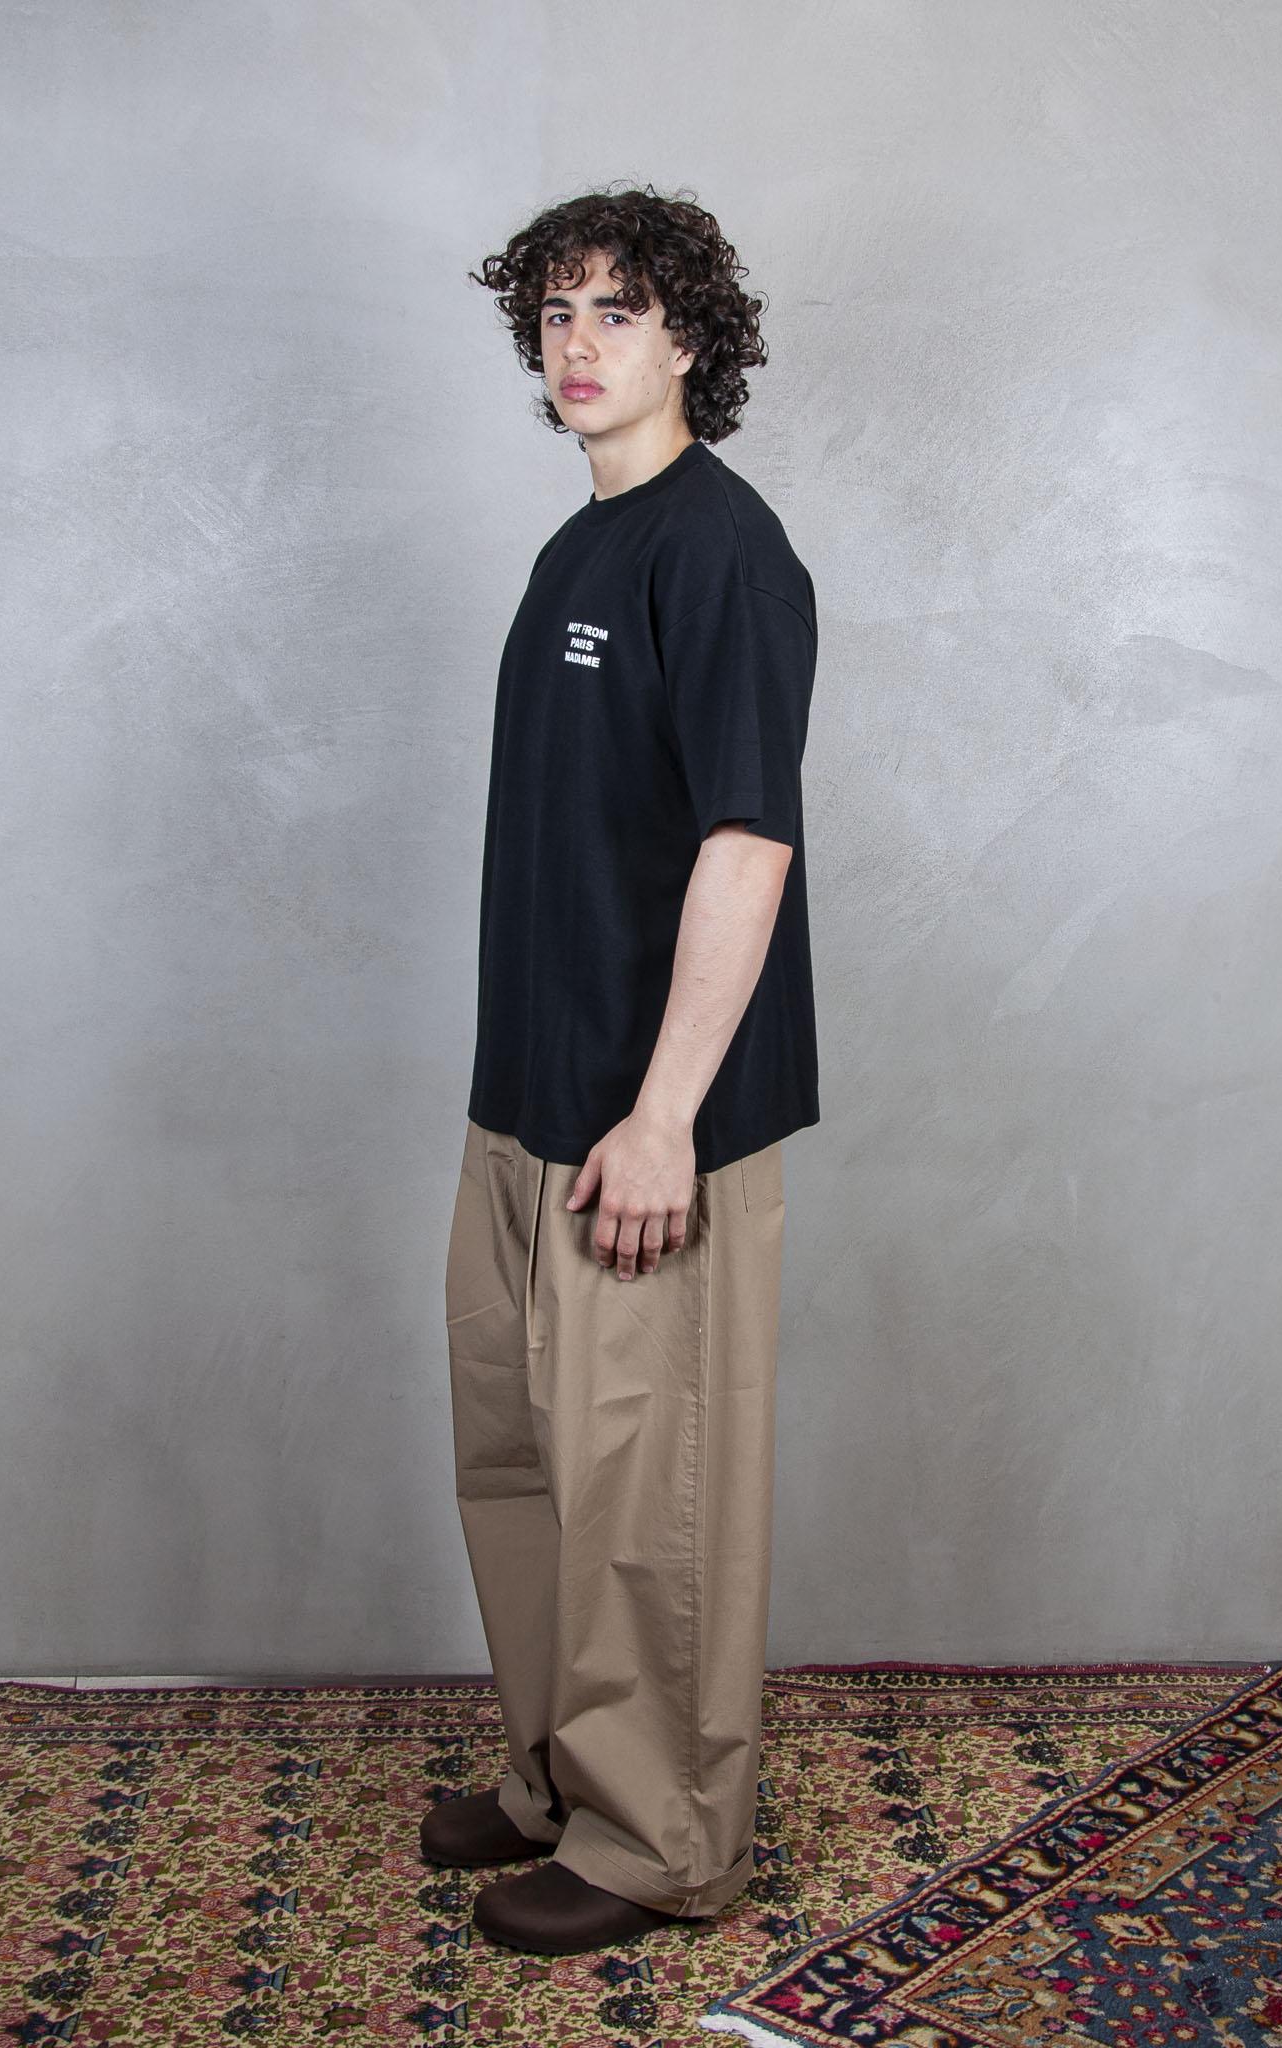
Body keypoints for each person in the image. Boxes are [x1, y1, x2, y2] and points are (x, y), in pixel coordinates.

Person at [427, 184, 821, 1955]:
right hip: (527, 1098)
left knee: (646, 1495)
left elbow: (748, 842)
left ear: (689, 342)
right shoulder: (576, 546)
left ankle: (656, 1836)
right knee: (523, 1468)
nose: (577, 345)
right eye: (556, 312)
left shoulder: (719, 550)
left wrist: (662, 1118)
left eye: (618, 311)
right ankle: (554, 1777)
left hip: (648, 1123)